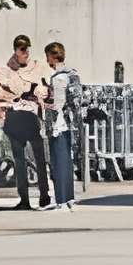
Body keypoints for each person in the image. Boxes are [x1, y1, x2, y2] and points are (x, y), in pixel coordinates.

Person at [0, 34, 50, 211]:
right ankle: (24, 199)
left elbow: (46, 89)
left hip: (33, 117)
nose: (25, 53)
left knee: (40, 159)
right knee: (19, 161)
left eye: (27, 49)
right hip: (15, 118)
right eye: (21, 49)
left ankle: (44, 195)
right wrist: (18, 95)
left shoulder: (38, 67)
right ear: (16, 50)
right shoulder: (7, 69)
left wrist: (38, 93)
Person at [44, 40, 82, 211]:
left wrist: (43, 101)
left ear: (53, 56)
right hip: (69, 124)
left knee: (58, 163)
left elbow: (57, 104)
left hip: (58, 124)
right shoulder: (72, 73)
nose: (47, 60)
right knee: (67, 161)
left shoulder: (58, 78)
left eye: (48, 57)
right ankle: (69, 197)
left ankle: (60, 199)